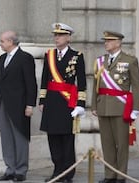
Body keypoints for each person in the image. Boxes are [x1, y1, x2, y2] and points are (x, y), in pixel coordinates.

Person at [91, 31, 139, 183]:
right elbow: (96, 85)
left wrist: (136, 109)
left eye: (109, 40)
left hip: (121, 108)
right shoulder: (100, 61)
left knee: (121, 143)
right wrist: (94, 105)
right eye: (105, 40)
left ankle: (121, 176)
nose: (106, 43)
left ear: (118, 42)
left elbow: (136, 86)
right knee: (107, 144)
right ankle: (110, 174)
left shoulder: (130, 60)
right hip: (103, 106)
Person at [39, 23, 86, 183]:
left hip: (68, 102)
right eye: (55, 35)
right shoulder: (49, 55)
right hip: (52, 102)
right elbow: (45, 79)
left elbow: (82, 82)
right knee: (53, 138)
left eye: (60, 35)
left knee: (67, 139)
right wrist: (42, 100)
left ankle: (68, 173)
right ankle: (57, 171)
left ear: (68, 38)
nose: (56, 38)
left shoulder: (77, 56)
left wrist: (80, 104)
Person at [0, 31, 37, 182]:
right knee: (6, 137)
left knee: (20, 137)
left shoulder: (25, 58)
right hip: (3, 104)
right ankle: (10, 168)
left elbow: (31, 83)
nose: (0, 44)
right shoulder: (2, 58)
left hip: (19, 105)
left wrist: (30, 104)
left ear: (10, 42)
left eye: (2, 41)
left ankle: (21, 170)